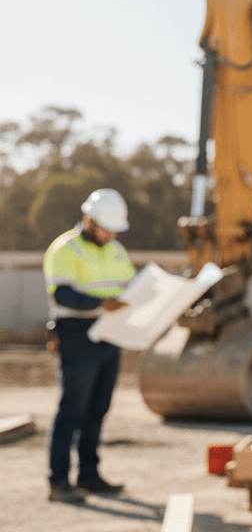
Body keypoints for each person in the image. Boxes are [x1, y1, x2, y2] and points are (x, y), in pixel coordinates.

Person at [43, 188, 134, 503]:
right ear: (89, 220)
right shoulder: (64, 249)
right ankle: (58, 481)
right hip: (77, 334)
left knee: (98, 409)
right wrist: (101, 305)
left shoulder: (117, 250)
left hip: (110, 335)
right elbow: (62, 295)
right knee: (72, 410)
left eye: (113, 230)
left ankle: (89, 475)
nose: (109, 234)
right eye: (105, 228)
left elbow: (130, 288)